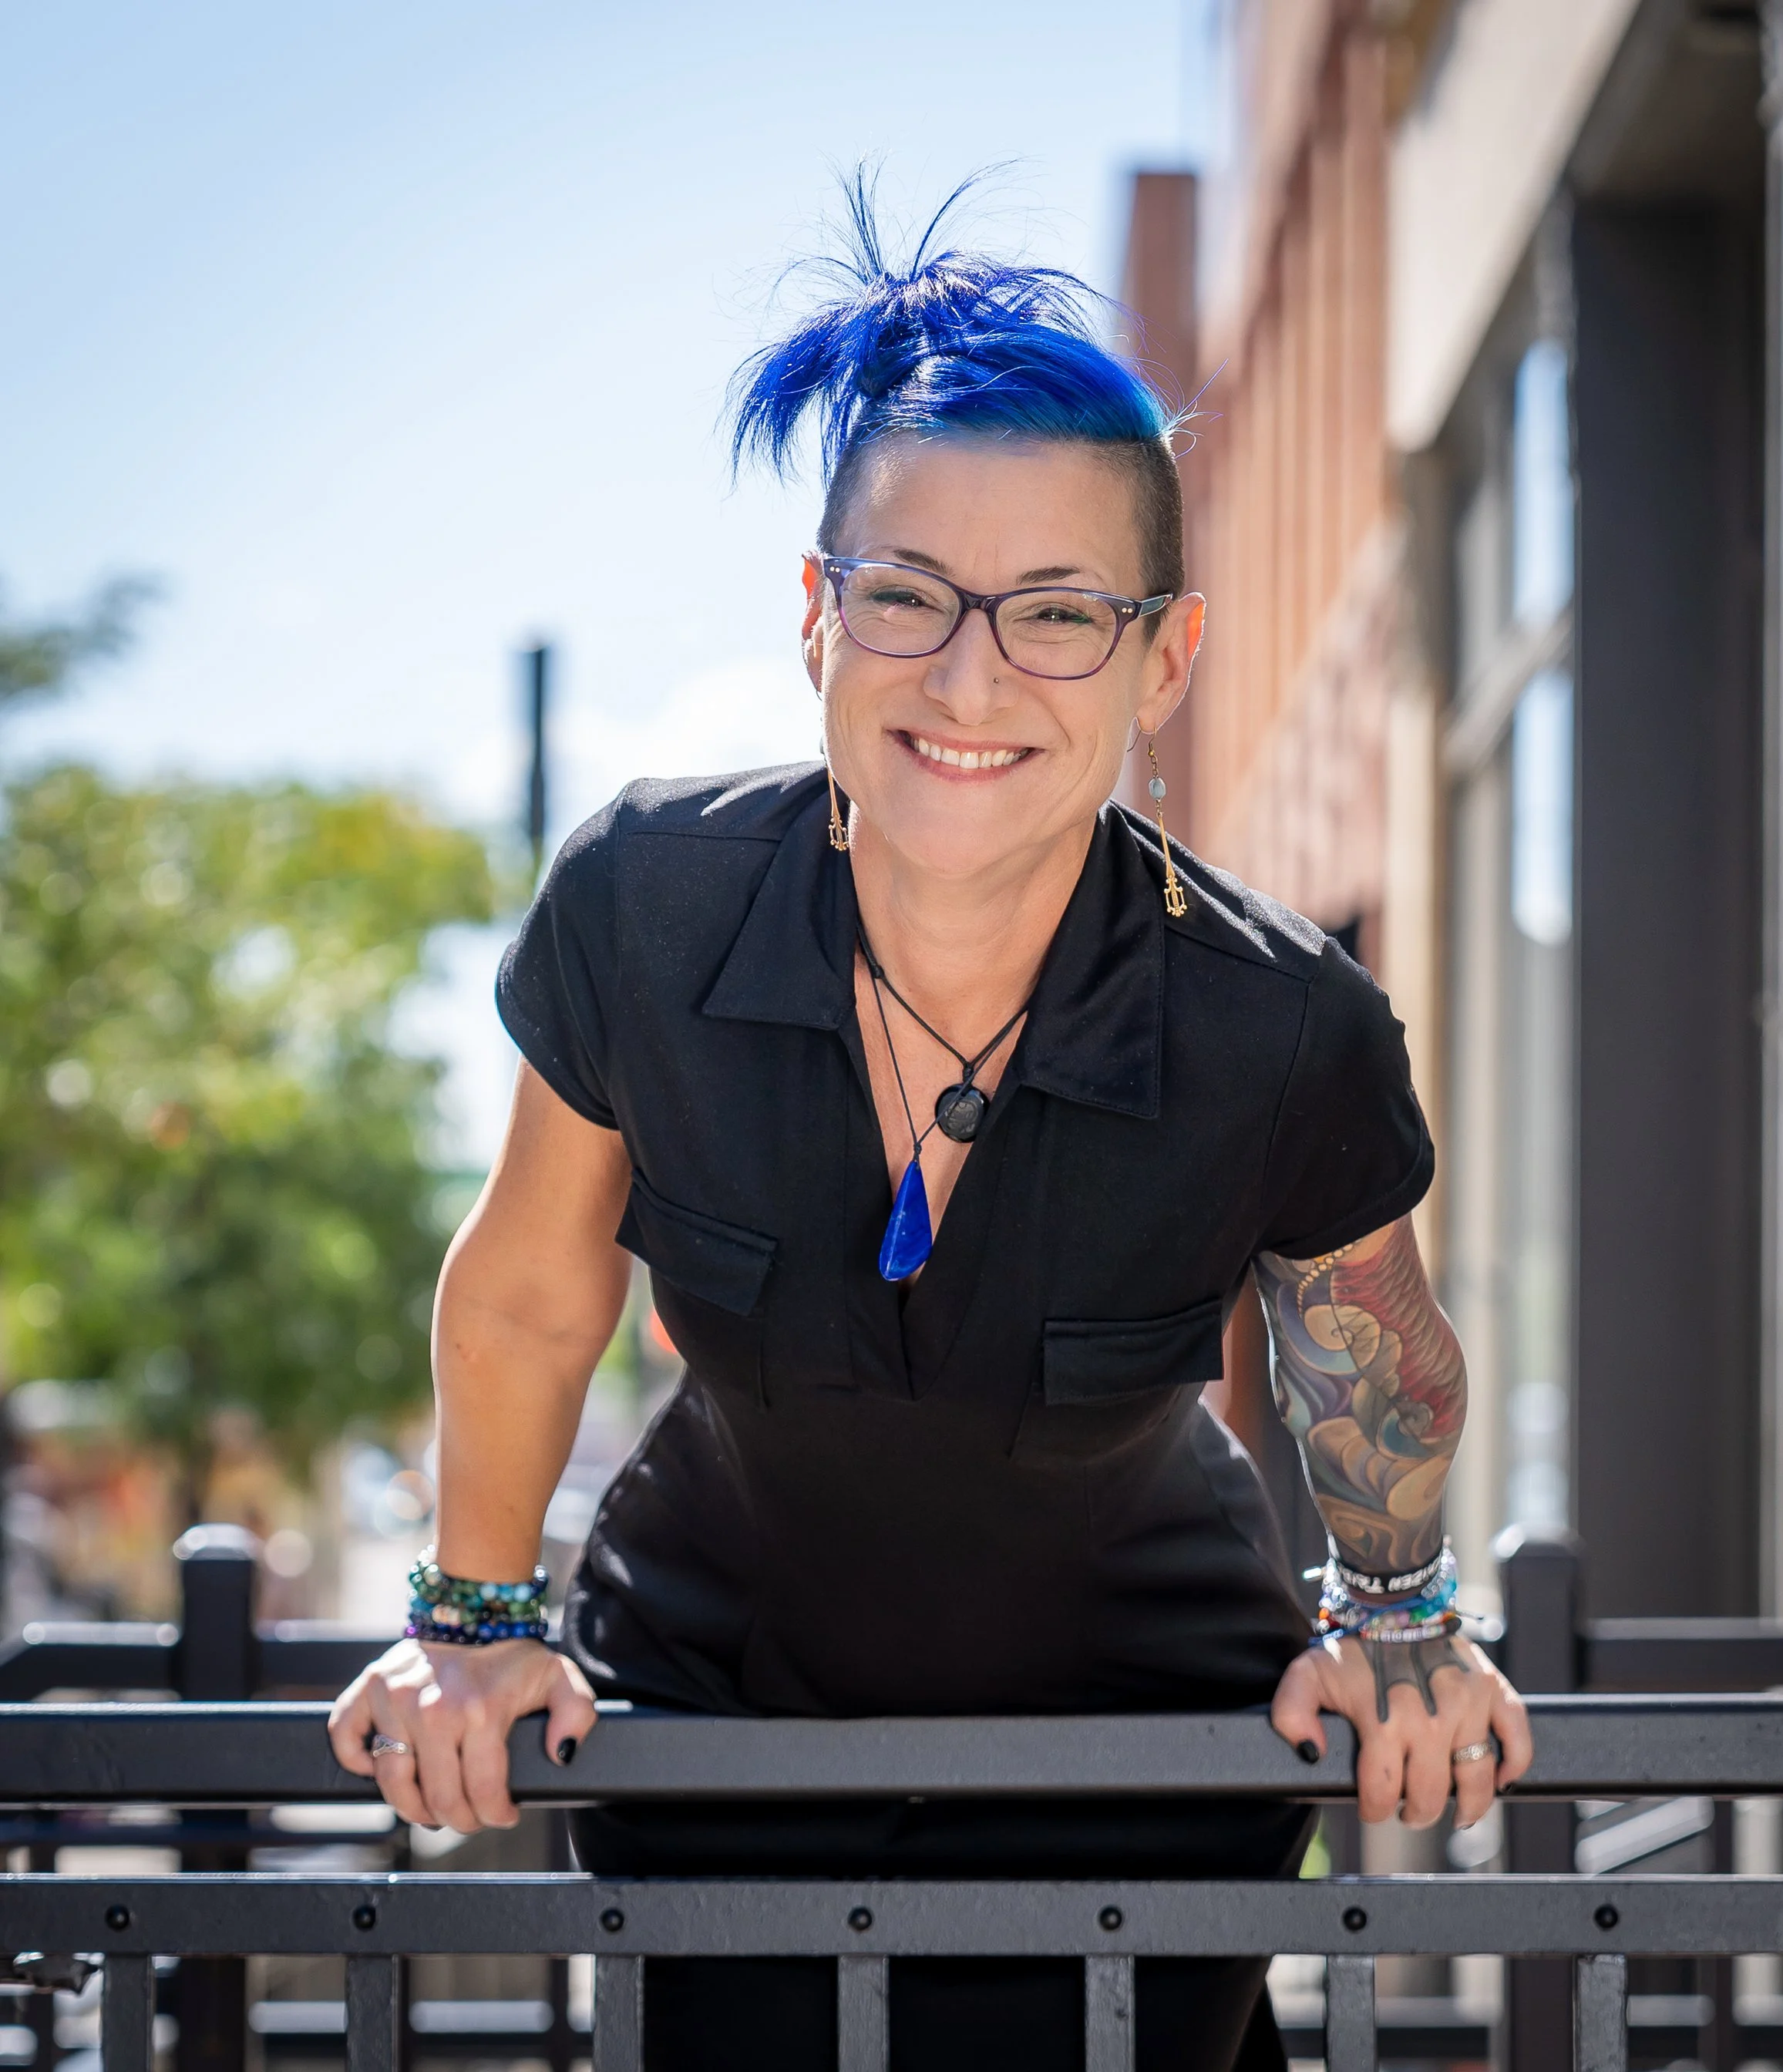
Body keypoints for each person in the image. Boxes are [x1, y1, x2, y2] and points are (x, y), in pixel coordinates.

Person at [329, 183, 1532, 2072]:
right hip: (710, 1716)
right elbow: (528, 1296)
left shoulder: (1280, 1017)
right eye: (906, 597)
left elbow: (1367, 1351)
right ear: (817, 618)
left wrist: (1392, 1617)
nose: (969, 680)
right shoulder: (641, 900)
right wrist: (474, 1615)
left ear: (1164, 660)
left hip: (1143, 1739)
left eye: (1058, 614)